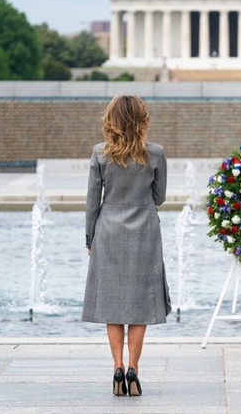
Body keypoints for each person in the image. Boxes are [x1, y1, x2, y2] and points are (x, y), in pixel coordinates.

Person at [82, 95, 170, 397]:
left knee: (113, 304)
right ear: (142, 119)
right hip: (144, 231)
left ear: (110, 119)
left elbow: (92, 201)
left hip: (108, 231)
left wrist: (89, 239)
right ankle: (134, 368)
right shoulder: (155, 153)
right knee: (139, 304)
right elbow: (159, 197)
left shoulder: (99, 154)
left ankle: (117, 366)